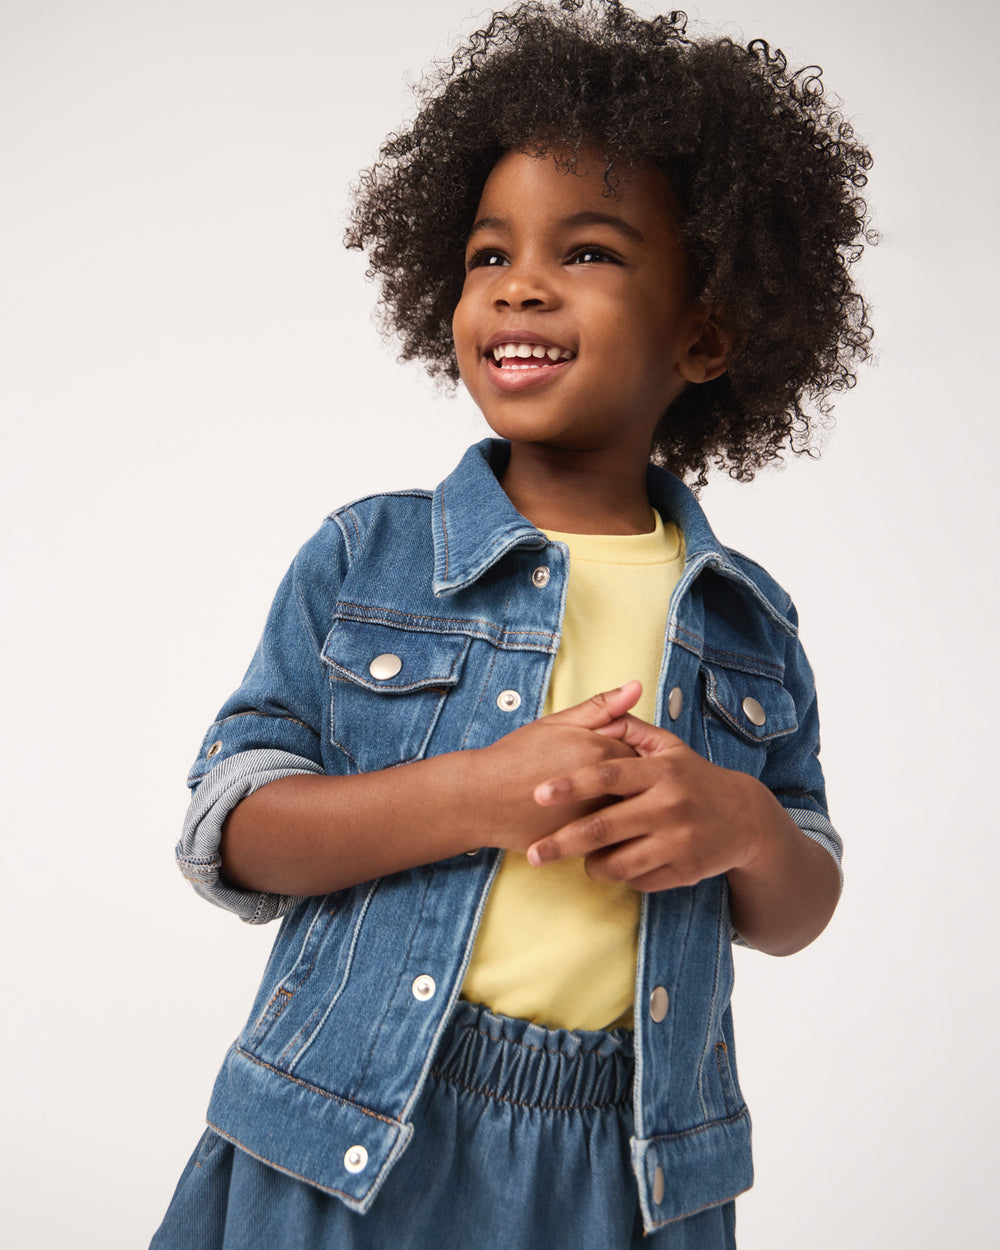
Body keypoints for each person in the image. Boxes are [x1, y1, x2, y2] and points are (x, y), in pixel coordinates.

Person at [151, 1, 873, 1246]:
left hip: (630, 1164)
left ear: (704, 331)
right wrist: (479, 793)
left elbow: (798, 900)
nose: (521, 283)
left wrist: (742, 822)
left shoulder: (748, 619)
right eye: (489, 255)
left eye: (586, 252)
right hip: (347, 1129)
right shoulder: (369, 557)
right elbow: (235, 831)